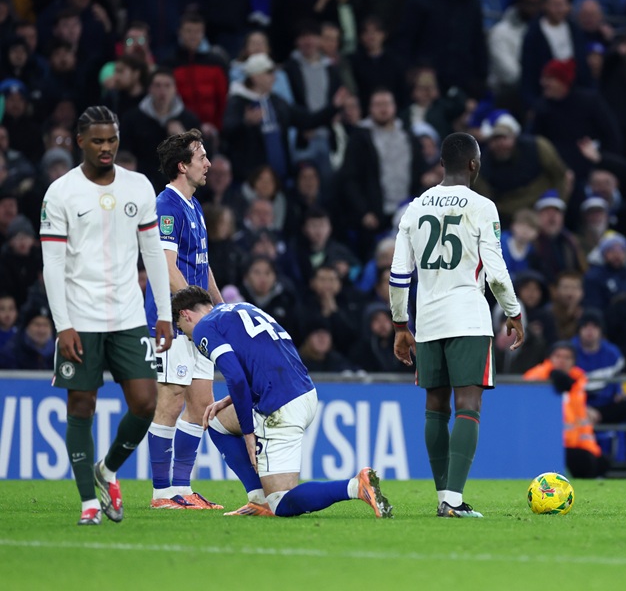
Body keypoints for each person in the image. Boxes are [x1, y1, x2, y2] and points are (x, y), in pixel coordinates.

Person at [40, 106, 174, 525]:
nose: (105, 148)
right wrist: (63, 324)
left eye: (112, 140)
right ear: (80, 141)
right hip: (80, 318)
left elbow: (153, 253)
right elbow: (52, 264)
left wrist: (164, 313)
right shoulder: (61, 193)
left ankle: (108, 469)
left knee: (145, 402)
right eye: (97, 140)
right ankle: (88, 504)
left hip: (130, 317)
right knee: (81, 404)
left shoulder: (138, 187)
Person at [389, 132, 524, 518]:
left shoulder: (414, 208)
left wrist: (401, 325)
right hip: (467, 316)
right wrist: (513, 312)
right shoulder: (482, 206)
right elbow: (495, 273)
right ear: (473, 165)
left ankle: (442, 498)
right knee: (468, 405)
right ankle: (453, 500)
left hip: (427, 320)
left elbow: (399, 275)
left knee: (435, 406)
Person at [170, 286, 392, 519]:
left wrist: (248, 433)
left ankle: (355, 486)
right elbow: (264, 360)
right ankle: (258, 500)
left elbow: (235, 377)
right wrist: (229, 400)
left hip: (279, 405)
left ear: (186, 315)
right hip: (304, 392)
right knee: (216, 420)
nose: (187, 337)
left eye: (183, 330)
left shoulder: (205, 326)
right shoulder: (244, 308)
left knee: (281, 502)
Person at [143, 129, 225, 511]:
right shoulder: (167, 205)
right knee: (171, 399)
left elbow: (203, 268)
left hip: (199, 319)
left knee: (200, 404)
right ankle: (162, 495)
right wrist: (192, 310)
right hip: (173, 320)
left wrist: (220, 308)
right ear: (183, 165)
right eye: (201, 156)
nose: (208, 163)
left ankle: (182, 488)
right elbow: (167, 266)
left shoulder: (194, 206)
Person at [524, 341, 610, 479]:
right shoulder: (540, 377)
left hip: (573, 443)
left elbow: (581, 425)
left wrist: (593, 451)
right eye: (558, 356)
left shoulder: (577, 384)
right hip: (548, 444)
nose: (562, 361)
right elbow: (528, 381)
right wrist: (551, 372)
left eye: (567, 357)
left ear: (573, 361)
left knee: (601, 462)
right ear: (549, 358)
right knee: (586, 462)